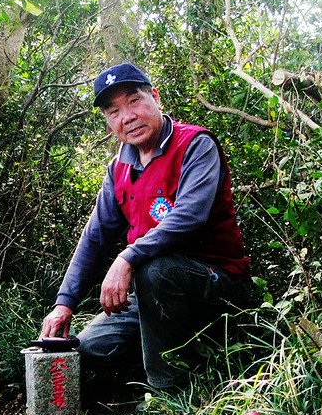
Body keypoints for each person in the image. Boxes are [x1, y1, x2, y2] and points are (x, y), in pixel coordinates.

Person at [40, 62, 251, 390]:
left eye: (134, 101)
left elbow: (189, 217)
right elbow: (95, 238)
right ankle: (174, 360)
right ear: (109, 124)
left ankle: (166, 394)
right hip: (154, 296)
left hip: (216, 284)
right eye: (113, 111)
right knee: (90, 349)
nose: (127, 116)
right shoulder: (118, 170)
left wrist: (127, 258)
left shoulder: (195, 144)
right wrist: (64, 303)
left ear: (155, 97)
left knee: (155, 270)